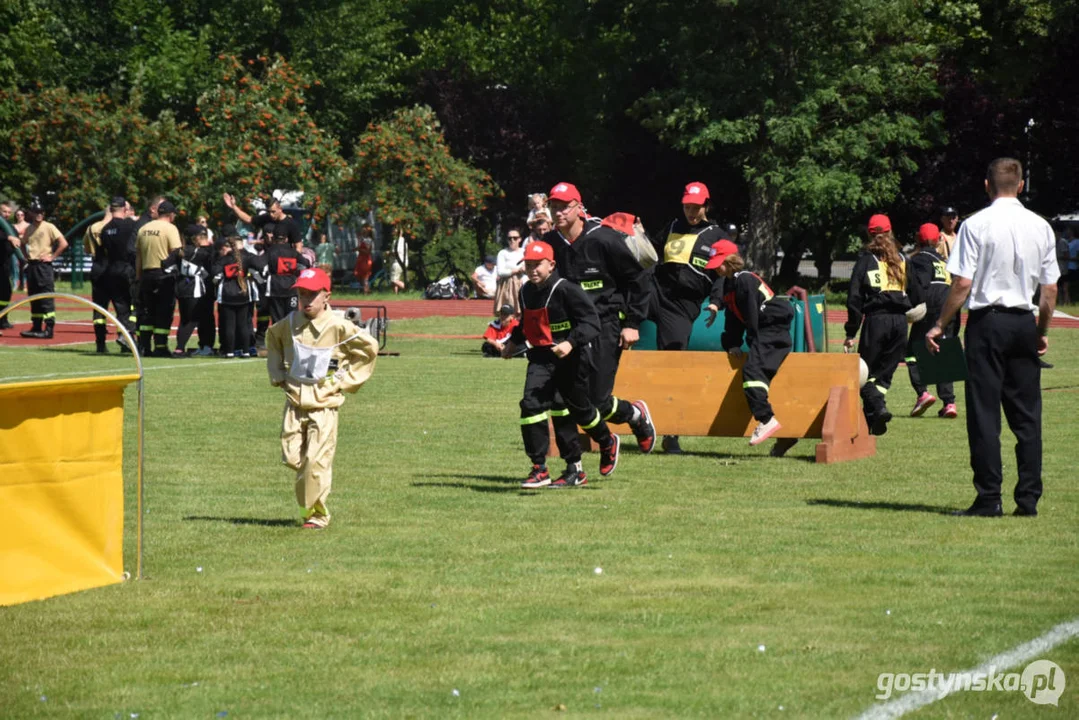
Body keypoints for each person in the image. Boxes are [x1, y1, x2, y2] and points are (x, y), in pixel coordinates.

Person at [926, 158, 1059, 517]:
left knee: (985, 415)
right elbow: (1049, 289)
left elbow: (963, 283)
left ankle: (989, 499)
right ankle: (1028, 500)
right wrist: (1041, 331)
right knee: (1028, 416)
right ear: (1019, 186)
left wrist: (940, 324)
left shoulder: (975, 224)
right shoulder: (1041, 226)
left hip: (987, 322)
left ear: (986, 185)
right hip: (1022, 323)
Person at [544, 182, 656, 453]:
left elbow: (639, 279)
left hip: (606, 324)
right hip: (572, 331)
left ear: (579, 208)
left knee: (597, 401)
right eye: (553, 207)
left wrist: (631, 323)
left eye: (564, 207)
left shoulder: (604, 239)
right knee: (566, 395)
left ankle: (637, 416)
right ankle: (573, 462)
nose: (558, 213)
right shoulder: (549, 243)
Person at [266, 267, 379, 528]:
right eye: (301, 294)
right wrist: (278, 374)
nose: (305, 300)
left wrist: (340, 380)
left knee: (316, 460)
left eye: (312, 294)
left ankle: (317, 515)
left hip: (323, 405)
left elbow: (368, 349)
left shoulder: (338, 325)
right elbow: (272, 339)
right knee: (294, 459)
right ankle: (309, 505)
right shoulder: (289, 324)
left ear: (326, 296)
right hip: (294, 403)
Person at [502, 241, 621, 488]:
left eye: (538, 265)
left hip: (573, 358)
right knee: (530, 405)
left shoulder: (567, 289)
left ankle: (605, 441)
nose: (532, 270)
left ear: (552, 265)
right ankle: (539, 467)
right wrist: (512, 344)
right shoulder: (526, 292)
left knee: (575, 410)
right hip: (541, 358)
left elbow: (591, 323)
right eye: (528, 265)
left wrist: (570, 343)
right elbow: (527, 324)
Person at [647, 182, 731, 453]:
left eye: (696, 207)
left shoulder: (718, 235)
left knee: (673, 365)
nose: (691, 212)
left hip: (682, 307)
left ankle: (671, 434)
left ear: (706, 206)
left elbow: (723, 274)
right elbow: (649, 252)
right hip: (656, 292)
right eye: (687, 207)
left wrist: (716, 302)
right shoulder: (673, 226)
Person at [704, 240, 794, 445]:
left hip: (772, 331)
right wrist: (732, 343)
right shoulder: (729, 285)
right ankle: (782, 433)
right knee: (756, 374)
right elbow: (735, 318)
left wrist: (753, 340)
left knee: (752, 372)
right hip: (765, 332)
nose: (717, 268)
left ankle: (766, 419)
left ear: (731, 261)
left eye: (720, 263)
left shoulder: (744, 280)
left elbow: (752, 314)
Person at [844, 214, 911, 436]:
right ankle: (872, 418)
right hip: (901, 323)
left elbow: (854, 299)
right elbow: (919, 294)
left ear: (869, 234)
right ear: (891, 232)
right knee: (883, 376)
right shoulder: (902, 259)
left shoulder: (866, 261)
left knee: (864, 373)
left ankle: (878, 408)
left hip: (877, 321)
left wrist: (851, 331)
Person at [904, 223, 959, 418]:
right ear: (937, 240)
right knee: (944, 354)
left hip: (931, 308)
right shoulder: (945, 261)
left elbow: (921, 286)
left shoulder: (919, 259)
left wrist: (910, 305)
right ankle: (949, 403)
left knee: (911, 353)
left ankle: (923, 393)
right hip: (950, 309)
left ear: (919, 239)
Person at [135, 199, 182, 356]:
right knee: (164, 310)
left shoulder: (144, 229)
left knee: (147, 311)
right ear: (170, 215)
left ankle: (144, 346)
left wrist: (138, 276)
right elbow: (176, 251)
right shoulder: (170, 228)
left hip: (146, 274)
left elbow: (139, 256)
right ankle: (161, 346)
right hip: (164, 275)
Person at [165, 224, 216, 356]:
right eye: (203, 237)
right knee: (194, 319)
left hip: (181, 287)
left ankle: (183, 347)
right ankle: (181, 348)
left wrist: (178, 272)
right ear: (195, 239)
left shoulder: (179, 251)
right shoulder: (199, 252)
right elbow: (213, 256)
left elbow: (165, 265)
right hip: (195, 288)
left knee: (185, 319)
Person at [96, 198, 139, 352]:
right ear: (124, 209)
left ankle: (126, 339)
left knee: (121, 307)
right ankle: (128, 336)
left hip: (112, 270)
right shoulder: (130, 225)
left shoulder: (105, 229)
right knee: (135, 306)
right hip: (128, 270)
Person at [20, 203, 68, 339]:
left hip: (43, 266)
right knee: (33, 296)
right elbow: (23, 243)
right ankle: (36, 326)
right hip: (32, 265)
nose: (39, 214)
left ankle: (49, 328)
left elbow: (63, 243)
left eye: (41, 212)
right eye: (36, 212)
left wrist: (52, 257)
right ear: (31, 213)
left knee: (46, 296)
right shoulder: (29, 229)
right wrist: (26, 258)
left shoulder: (49, 227)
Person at [213, 232, 260, 357]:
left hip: (228, 293)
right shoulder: (246, 257)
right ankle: (245, 351)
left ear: (227, 247)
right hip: (243, 292)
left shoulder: (224, 259)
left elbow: (214, 272)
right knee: (243, 324)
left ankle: (229, 351)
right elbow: (260, 265)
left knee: (229, 325)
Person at [87, 198, 125, 352]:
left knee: (99, 309)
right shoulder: (118, 227)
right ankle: (124, 339)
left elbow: (87, 249)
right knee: (121, 306)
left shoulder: (92, 227)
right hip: (113, 268)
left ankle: (100, 343)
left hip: (97, 268)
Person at [493, 229, 525, 314]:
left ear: (520, 239)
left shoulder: (524, 251)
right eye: (509, 238)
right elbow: (500, 272)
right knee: (508, 311)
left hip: (523, 282)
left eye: (515, 238)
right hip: (507, 285)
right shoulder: (502, 253)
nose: (512, 240)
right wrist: (517, 270)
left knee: (522, 310)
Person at [0, 201, 17, 330]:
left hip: (4, 265)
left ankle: (3, 318)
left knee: (6, 292)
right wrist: (8, 238)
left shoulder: (11, 227)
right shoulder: (5, 231)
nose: (6, 214)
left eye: (9, 212)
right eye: (4, 211)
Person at [353, 226, 374, 293]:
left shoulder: (368, 240)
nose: (362, 231)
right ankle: (366, 290)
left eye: (364, 230)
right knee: (359, 276)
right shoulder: (362, 239)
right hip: (361, 260)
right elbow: (360, 247)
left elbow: (368, 251)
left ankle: (366, 291)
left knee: (365, 277)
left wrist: (359, 249)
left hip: (366, 260)